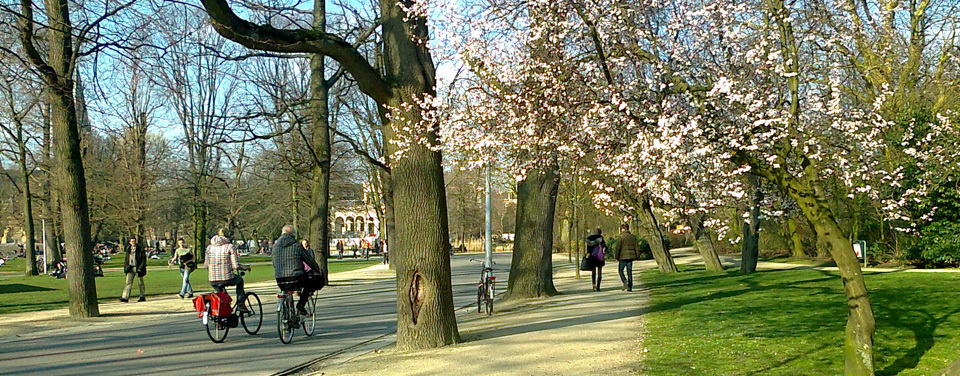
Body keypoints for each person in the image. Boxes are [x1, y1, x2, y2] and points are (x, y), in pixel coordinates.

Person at [272, 225, 323, 316]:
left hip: (280, 280)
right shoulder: (296, 246)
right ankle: (301, 304)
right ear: (293, 235)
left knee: (287, 289)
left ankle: (287, 312)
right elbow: (309, 260)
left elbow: (274, 263)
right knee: (309, 284)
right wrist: (317, 269)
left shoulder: (275, 247)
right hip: (296, 278)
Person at [206, 229, 250, 311]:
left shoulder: (209, 248)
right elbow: (236, 265)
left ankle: (225, 312)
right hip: (227, 277)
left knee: (222, 296)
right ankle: (240, 304)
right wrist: (246, 267)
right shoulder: (230, 247)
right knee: (240, 281)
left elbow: (206, 265)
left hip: (213, 279)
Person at [120, 238, 147, 302]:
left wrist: (140, 268)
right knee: (128, 282)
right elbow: (126, 259)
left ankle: (142, 296)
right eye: (132, 241)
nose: (133, 242)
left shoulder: (140, 249)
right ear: (129, 242)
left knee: (140, 283)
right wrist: (125, 267)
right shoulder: (128, 249)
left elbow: (143, 260)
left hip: (138, 267)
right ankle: (125, 297)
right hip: (130, 267)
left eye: (134, 241)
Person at [615, 224, 639, 292]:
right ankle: (630, 287)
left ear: (623, 229)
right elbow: (636, 247)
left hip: (623, 257)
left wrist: (616, 256)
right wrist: (637, 256)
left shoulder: (621, 237)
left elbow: (618, 248)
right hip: (630, 257)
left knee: (620, 270)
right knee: (629, 271)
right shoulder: (633, 237)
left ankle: (625, 281)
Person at [585, 227, 606, 292]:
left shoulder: (590, 239)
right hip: (599, 257)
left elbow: (588, 249)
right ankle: (598, 286)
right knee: (599, 272)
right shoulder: (601, 238)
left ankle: (594, 286)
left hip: (592, 257)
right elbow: (604, 246)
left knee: (593, 272)